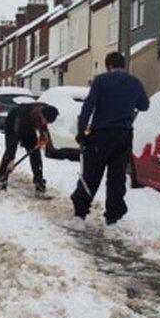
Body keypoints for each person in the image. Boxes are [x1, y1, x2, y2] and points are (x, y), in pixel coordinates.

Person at [65, 52, 149, 232]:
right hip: (124, 136)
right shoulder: (134, 82)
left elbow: (88, 107)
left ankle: (80, 216)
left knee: (91, 175)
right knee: (117, 178)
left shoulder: (101, 81)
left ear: (108, 65)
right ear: (123, 65)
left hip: (100, 136)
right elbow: (144, 105)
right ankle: (112, 220)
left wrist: (81, 132)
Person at [0, 103, 60, 193]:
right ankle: (2, 179)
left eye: (48, 122)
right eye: (46, 121)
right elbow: (13, 140)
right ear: (41, 115)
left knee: (35, 152)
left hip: (29, 126)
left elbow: (44, 127)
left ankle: (39, 181)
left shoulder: (46, 110)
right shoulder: (22, 118)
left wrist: (43, 137)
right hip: (13, 123)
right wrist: (11, 159)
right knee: (9, 152)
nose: (46, 123)